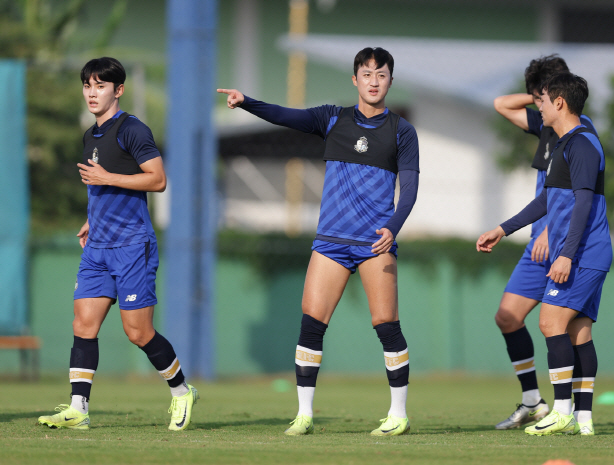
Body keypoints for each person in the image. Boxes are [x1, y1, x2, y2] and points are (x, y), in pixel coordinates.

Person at [218, 47, 419, 437]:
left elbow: (408, 189)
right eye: (366, 74)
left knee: (386, 325)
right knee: (312, 324)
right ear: (354, 79)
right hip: (330, 242)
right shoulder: (333, 118)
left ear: (390, 80)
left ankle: (398, 414)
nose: (373, 81)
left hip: (374, 243)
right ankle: (304, 415)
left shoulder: (401, 131)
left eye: (381, 74)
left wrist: (393, 227)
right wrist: (247, 103)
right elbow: (285, 116)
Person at [38, 57, 198, 431]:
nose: (92, 93)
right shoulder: (89, 135)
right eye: (87, 86)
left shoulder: (133, 130)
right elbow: (102, 187)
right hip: (98, 248)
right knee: (83, 324)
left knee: (137, 332)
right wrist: (91, 219)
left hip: (131, 245)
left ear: (118, 90)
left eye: (101, 86)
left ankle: (181, 391)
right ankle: (78, 409)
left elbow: (157, 180)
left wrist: (109, 176)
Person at [477, 72, 612, 436]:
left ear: (559, 103)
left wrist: (566, 255)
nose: (538, 104)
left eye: (543, 98)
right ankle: (583, 419)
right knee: (578, 333)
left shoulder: (582, 144)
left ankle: (562, 409)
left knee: (550, 323)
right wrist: (502, 229)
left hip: (583, 254)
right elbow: (546, 201)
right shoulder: (564, 144)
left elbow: (584, 204)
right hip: (582, 253)